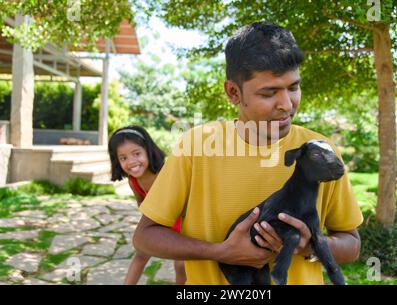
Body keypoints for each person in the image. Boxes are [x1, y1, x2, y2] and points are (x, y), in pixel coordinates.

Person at [133, 22, 363, 284]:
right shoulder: (196, 146)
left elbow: (351, 243)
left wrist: (309, 246)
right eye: (269, 93)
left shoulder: (320, 151)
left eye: (293, 87)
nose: (287, 105)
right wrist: (221, 252)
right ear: (233, 92)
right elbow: (144, 237)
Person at [108, 125, 186, 285]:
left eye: (136, 154)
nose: (131, 162)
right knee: (141, 254)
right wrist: (149, 232)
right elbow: (142, 205)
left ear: (148, 151)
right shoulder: (134, 181)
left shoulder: (165, 172)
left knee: (181, 265)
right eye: (123, 158)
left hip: (181, 220)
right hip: (157, 221)